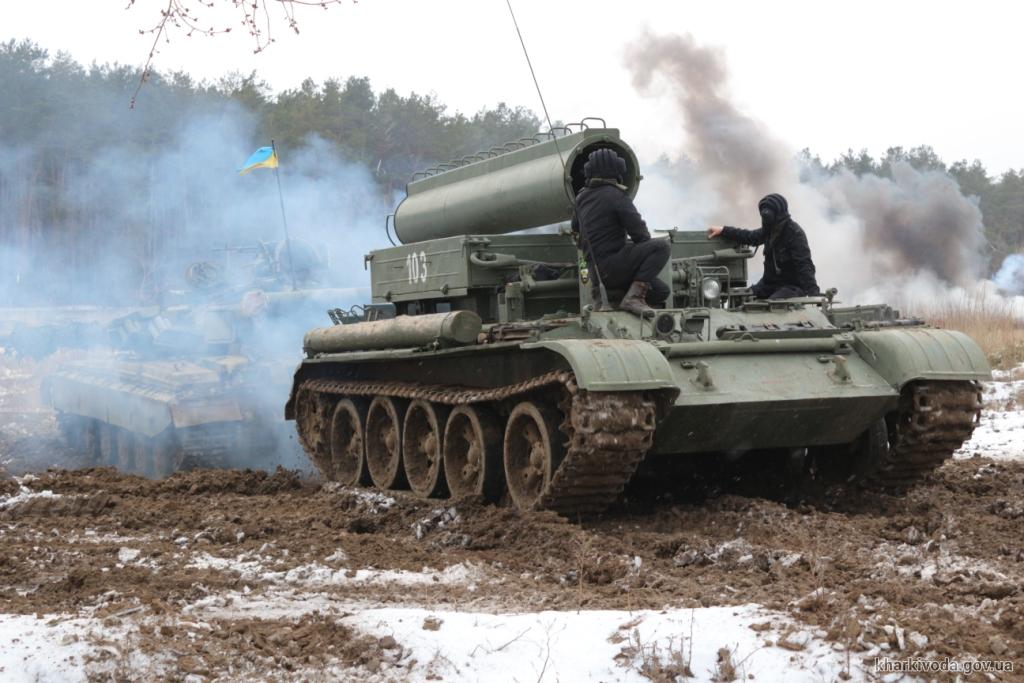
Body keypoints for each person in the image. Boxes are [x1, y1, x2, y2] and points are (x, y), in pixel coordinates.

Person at [571, 148, 670, 317]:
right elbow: (641, 236)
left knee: (661, 290)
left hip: (596, 273)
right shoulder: (616, 195)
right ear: (614, 171)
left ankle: (617, 300)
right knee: (661, 247)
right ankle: (634, 299)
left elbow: (576, 231)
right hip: (613, 267)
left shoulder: (581, 198)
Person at [707, 193, 819, 299]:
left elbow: (804, 265)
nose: (765, 214)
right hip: (768, 285)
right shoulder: (770, 230)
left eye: (768, 210)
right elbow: (749, 237)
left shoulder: (794, 233)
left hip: (792, 287)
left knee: (772, 307)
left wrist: (814, 293)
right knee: (742, 298)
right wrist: (724, 230)